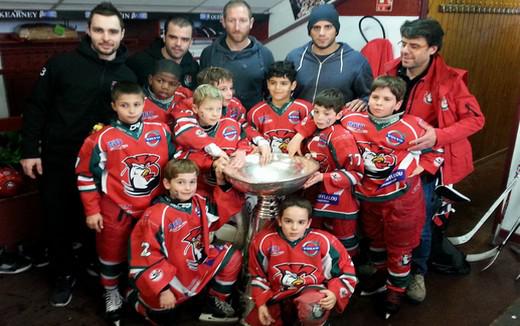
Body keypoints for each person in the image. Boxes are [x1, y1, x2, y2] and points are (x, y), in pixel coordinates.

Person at [19, 1, 136, 307]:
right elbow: (36, 107)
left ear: (122, 33)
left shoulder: (128, 74)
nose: (106, 37)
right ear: (88, 31)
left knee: (94, 222)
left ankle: (90, 267)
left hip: (102, 168)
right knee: (58, 221)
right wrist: (30, 150)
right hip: (59, 160)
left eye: (112, 31)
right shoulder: (61, 64)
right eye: (99, 30)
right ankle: (61, 276)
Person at [383, 18, 485, 303]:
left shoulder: (450, 81)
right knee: (385, 213)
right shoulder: (391, 70)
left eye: (414, 46)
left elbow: (476, 120)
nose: (405, 51)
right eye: (403, 43)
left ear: (433, 49)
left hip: (428, 163)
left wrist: (438, 136)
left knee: (421, 221)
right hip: (392, 158)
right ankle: (388, 265)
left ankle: (417, 271)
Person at [344, 76, 443, 318]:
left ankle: (395, 290)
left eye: (386, 99)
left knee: (400, 247)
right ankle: (380, 276)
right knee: (375, 241)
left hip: (402, 200)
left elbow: (438, 148)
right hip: (367, 197)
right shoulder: (351, 119)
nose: (378, 103)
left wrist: (425, 166)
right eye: (375, 97)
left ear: (397, 104)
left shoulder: (413, 125)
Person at [75, 81, 175, 321]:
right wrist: (92, 210)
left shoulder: (161, 131)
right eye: (125, 105)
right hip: (115, 209)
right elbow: (85, 175)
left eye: (137, 105)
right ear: (114, 106)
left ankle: (140, 291)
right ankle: (111, 293)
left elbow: (176, 165)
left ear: (144, 104)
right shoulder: (100, 139)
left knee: (152, 253)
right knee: (111, 254)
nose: (132, 110)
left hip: (153, 209)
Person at [127, 158, 244, 324]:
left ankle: (215, 302)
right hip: (170, 277)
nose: (188, 188)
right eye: (181, 182)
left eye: (192, 182)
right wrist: (163, 289)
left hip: (196, 262)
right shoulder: (155, 215)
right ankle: (133, 296)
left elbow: (222, 211)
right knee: (164, 319)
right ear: (167, 184)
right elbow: (145, 256)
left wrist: (222, 183)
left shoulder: (199, 202)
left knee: (232, 256)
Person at [245, 196, 358, 326]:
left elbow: (347, 271)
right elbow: (258, 275)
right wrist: (261, 304)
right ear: (279, 220)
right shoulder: (263, 241)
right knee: (257, 321)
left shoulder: (324, 241)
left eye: (301, 222)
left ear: (308, 223)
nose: (294, 227)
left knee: (311, 308)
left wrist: (334, 293)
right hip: (278, 294)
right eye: (288, 221)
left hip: (311, 292)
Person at [301, 89, 362, 258]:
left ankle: (349, 278)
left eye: (326, 113)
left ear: (338, 115)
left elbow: (356, 174)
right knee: (321, 242)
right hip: (319, 197)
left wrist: (323, 177)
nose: (319, 118)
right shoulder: (318, 132)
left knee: (344, 245)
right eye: (316, 112)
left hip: (342, 203)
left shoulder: (341, 137)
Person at [173, 84, 258, 196]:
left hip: (230, 191)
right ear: (195, 108)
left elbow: (243, 140)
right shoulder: (187, 132)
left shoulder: (231, 124)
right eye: (209, 109)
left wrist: (243, 151)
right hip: (198, 191)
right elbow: (181, 158)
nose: (215, 114)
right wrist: (212, 163)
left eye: (218, 109)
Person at [285, 3, 373, 108]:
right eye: (316, 27)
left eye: (328, 27)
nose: (322, 33)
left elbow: (371, 96)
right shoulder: (294, 58)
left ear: (336, 30)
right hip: (298, 122)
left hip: (337, 123)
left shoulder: (356, 61)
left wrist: (365, 101)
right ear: (309, 31)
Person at [199, 0, 274, 109]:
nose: (237, 27)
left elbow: (271, 95)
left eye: (243, 20)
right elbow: (201, 93)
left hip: (253, 121)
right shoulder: (209, 53)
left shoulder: (265, 55)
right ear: (223, 22)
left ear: (251, 22)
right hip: (217, 121)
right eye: (231, 20)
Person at [247, 61, 312, 154]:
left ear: (293, 85)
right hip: (267, 164)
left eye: (283, 83)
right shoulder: (255, 112)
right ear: (268, 84)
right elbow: (249, 137)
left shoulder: (305, 109)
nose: (277, 87)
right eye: (273, 83)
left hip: (298, 163)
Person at [127, 16, 199, 90]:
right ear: (164, 36)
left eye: (184, 39)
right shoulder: (139, 62)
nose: (178, 43)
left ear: (190, 42)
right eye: (173, 37)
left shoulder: (194, 67)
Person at [142, 59, 192, 129]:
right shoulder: (139, 100)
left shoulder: (185, 95)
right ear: (150, 79)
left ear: (178, 85)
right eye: (160, 81)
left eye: (172, 84)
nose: (165, 87)